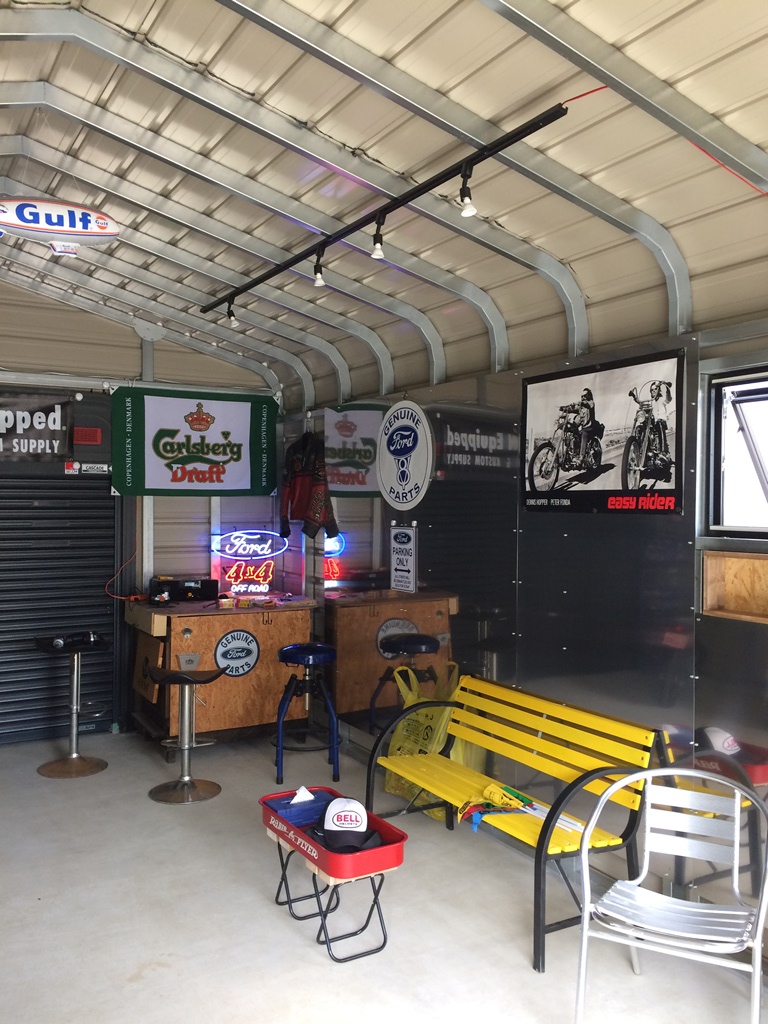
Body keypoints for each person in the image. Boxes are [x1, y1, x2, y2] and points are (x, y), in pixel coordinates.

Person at [629, 380, 672, 458]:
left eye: (655, 389)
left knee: (659, 423)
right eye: (652, 390)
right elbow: (640, 402)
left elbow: (669, 398)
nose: (653, 391)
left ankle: (663, 452)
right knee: (640, 428)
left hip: (661, 421)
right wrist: (634, 396)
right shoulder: (650, 401)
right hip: (652, 423)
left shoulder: (662, 399)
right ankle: (638, 450)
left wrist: (667, 387)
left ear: (658, 390)